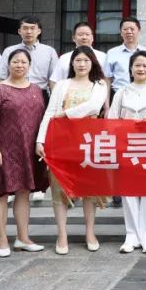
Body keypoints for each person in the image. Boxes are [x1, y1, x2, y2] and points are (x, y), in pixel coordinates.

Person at [36, 46, 110, 254]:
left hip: (88, 142)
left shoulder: (99, 84)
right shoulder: (62, 84)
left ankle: (90, 232)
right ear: (72, 64)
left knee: (89, 190)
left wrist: (65, 114)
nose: (82, 64)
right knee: (58, 189)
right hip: (61, 142)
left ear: (92, 63)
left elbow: (94, 106)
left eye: (86, 60)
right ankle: (62, 235)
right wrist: (40, 140)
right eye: (78, 60)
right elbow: (50, 112)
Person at [0, 48, 48, 257]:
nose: (19, 65)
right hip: (5, 150)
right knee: (1, 193)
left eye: (23, 62)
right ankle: (2, 240)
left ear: (29, 66)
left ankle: (23, 238)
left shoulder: (36, 89)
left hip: (30, 150)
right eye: (15, 62)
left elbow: (43, 120)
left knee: (24, 192)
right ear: (8, 64)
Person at [108, 51, 146, 254]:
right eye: (137, 65)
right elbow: (111, 120)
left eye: (145, 66)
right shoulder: (122, 92)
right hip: (127, 147)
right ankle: (131, 236)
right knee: (129, 192)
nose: (141, 69)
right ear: (131, 69)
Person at [0, 15, 58, 89]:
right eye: (25, 28)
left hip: (40, 92)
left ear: (39, 31)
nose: (29, 32)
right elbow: (1, 77)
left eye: (32, 28)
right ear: (19, 31)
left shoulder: (50, 52)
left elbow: (54, 79)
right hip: (13, 91)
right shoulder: (9, 51)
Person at [50, 22, 107, 91]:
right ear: (74, 38)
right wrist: (58, 96)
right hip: (68, 95)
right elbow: (54, 81)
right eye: (80, 34)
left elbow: (107, 80)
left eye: (87, 34)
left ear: (92, 38)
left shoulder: (103, 57)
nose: (84, 37)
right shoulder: (64, 58)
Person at [106, 16, 146, 94]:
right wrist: (107, 101)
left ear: (139, 31)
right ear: (121, 32)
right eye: (125, 29)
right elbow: (108, 79)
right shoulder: (112, 53)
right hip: (119, 94)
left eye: (132, 29)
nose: (129, 32)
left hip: (143, 94)